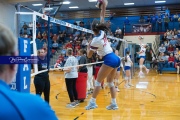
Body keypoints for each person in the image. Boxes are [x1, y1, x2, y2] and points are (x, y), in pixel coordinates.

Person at [0, 24, 58, 120]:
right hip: (39, 80)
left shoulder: (44, 59)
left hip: (46, 79)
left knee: (46, 95)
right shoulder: (33, 105)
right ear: (13, 63)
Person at [85, 21, 120, 110]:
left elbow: (89, 55)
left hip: (109, 59)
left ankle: (92, 102)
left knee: (98, 82)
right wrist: (103, 7)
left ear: (92, 29)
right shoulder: (102, 33)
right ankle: (114, 103)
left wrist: (88, 47)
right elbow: (102, 17)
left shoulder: (95, 40)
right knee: (110, 82)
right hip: (115, 58)